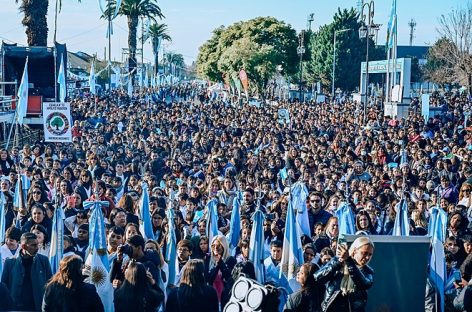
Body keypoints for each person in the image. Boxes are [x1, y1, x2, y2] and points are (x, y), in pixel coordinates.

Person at [314, 236, 375, 312]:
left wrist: (349, 261)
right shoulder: (337, 261)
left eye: (370, 254)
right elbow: (317, 278)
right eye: (364, 253)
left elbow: (363, 284)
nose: (367, 257)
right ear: (355, 251)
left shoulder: (368, 271)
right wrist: (338, 263)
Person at [1, 232, 52, 311]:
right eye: (33, 245)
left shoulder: (44, 261)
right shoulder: (10, 263)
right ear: (24, 246)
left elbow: (50, 284)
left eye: (37, 244)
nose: (37, 248)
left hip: (37, 307)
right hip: (16, 308)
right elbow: (4, 287)